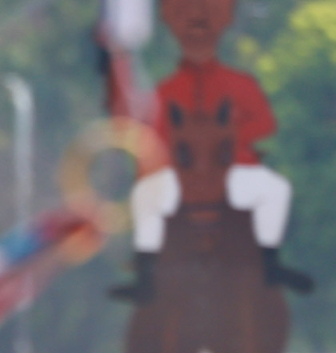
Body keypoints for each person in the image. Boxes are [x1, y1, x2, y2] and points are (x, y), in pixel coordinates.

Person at [110, 0, 313, 303]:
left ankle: (268, 261)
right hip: (184, 177)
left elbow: (266, 124)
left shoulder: (240, 84)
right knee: (145, 194)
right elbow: (152, 135)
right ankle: (146, 275)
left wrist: (229, 132)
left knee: (276, 189)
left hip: (232, 171)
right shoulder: (167, 89)